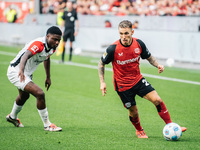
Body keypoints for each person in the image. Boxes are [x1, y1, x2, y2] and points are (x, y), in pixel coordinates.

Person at [98, 20, 187, 138]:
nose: (123, 37)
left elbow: (149, 57)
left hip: (138, 80)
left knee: (157, 100)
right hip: (123, 86)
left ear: (132, 32)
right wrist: (102, 82)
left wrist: (158, 65)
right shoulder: (112, 49)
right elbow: (101, 64)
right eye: (121, 34)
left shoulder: (138, 44)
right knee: (133, 112)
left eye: (126, 33)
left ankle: (171, 126)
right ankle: (139, 130)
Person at [6, 26, 62, 132]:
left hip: (26, 73)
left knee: (24, 96)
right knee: (40, 93)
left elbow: (46, 58)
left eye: (59, 40)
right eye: (55, 39)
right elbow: (25, 56)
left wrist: (48, 77)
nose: (57, 42)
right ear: (47, 36)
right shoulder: (39, 44)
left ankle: (12, 117)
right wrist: (21, 71)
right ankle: (47, 125)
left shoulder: (52, 47)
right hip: (16, 71)